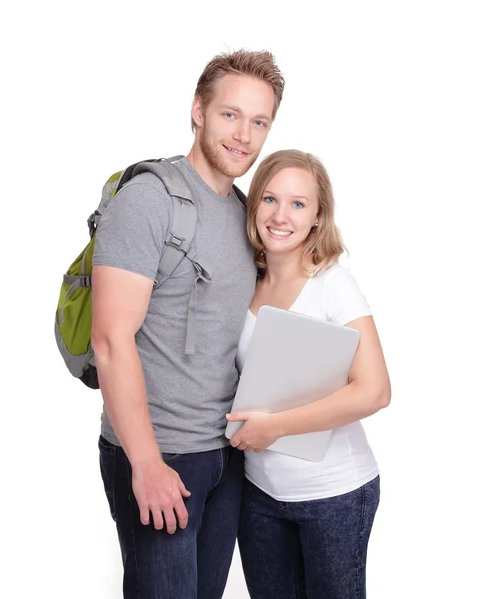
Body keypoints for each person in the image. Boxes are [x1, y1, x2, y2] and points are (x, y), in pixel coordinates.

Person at [91, 50, 285, 599]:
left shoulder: (245, 213)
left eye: (260, 121)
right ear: (198, 110)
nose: (244, 134)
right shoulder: (149, 200)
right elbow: (109, 339)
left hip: (222, 455)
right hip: (160, 453)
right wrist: (146, 463)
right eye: (230, 114)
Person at [226, 149, 391, 599]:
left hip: (334, 495)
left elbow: (375, 391)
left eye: (299, 204)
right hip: (259, 494)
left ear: (318, 217)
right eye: (270, 199)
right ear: (254, 203)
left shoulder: (332, 283)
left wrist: (274, 427)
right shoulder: (244, 281)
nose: (281, 216)